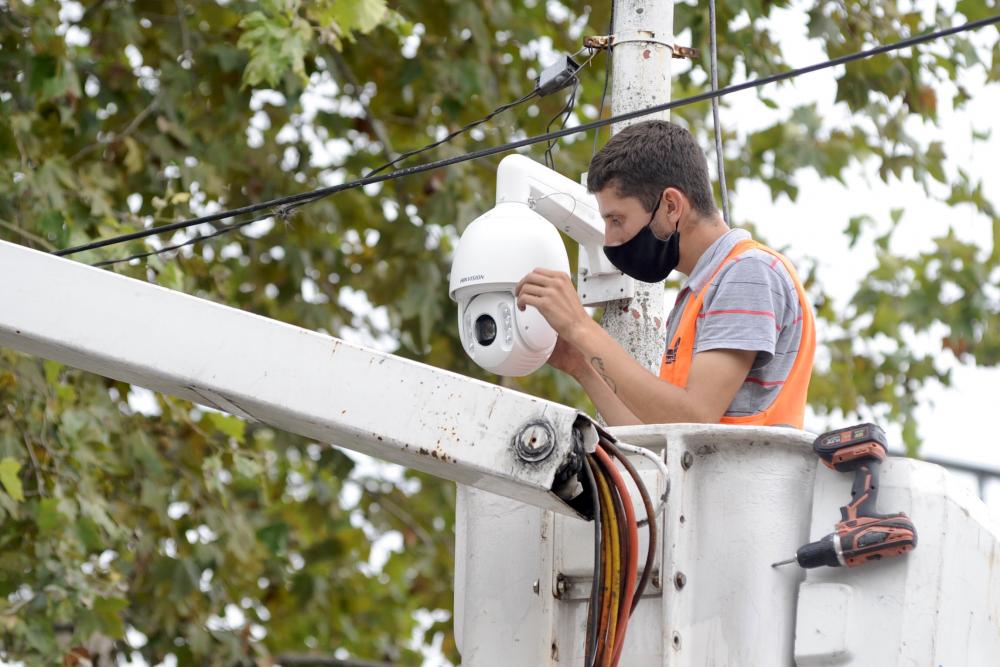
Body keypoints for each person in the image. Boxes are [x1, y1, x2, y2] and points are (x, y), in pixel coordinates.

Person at [515, 120, 815, 428]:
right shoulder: (697, 293)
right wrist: (580, 364)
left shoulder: (747, 272)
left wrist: (580, 327)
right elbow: (661, 435)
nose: (609, 240)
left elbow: (694, 419)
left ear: (671, 205)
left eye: (617, 220)